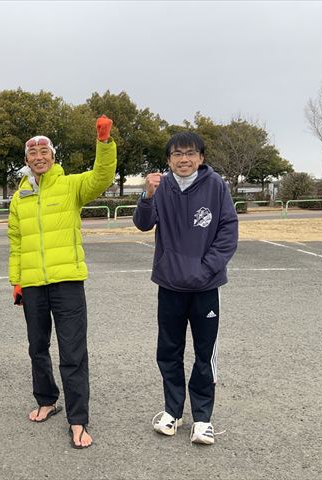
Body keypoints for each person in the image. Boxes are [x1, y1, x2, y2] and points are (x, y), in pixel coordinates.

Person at [8, 115, 116, 449]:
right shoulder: (20, 196)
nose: (39, 157)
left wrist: (104, 142)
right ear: (26, 160)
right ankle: (46, 399)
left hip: (67, 281)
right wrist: (16, 281)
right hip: (33, 284)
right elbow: (16, 242)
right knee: (37, 347)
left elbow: (102, 176)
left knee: (72, 351)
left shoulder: (71, 186)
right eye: (32, 153)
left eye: (44, 152)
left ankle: (78, 419)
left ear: (53, 156)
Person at [133, 131, 238, 445]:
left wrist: (206, 269)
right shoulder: (161, 186)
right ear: (168, 160)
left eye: (190, 153)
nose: (184, 159)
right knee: (168, 351)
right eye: (177, 154)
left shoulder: (216, 185)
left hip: (205, 287)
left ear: (201, 158)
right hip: (170, 285)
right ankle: (173, 412)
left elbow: (228, 231)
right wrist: (147, 195)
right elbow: (143, 223)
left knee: (205, 353)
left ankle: (203, 418)